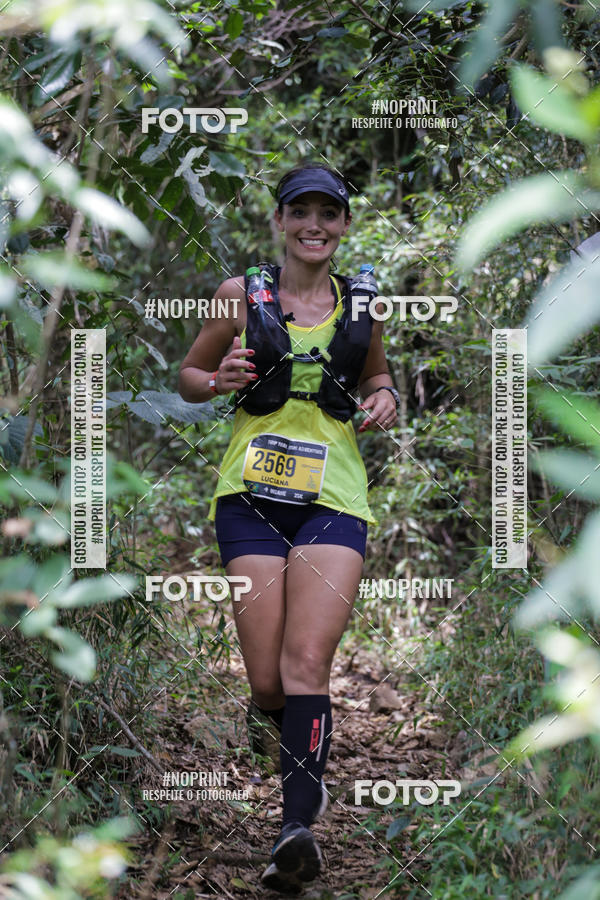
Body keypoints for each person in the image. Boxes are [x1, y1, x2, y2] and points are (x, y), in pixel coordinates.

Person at [178, 162, 399, 892]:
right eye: (300, 211)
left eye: (328, 214)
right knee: (268, 678)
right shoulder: (241, 297)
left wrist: (385, 395)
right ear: (280, 221)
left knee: (307, 664)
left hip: (335, 499)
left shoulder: (362, 306)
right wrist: (220, 381)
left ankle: (293, 830)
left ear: (342, 226)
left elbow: (376, 375)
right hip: (248, 497)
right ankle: (277, 727)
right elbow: (191, 374)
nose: (314, 225)